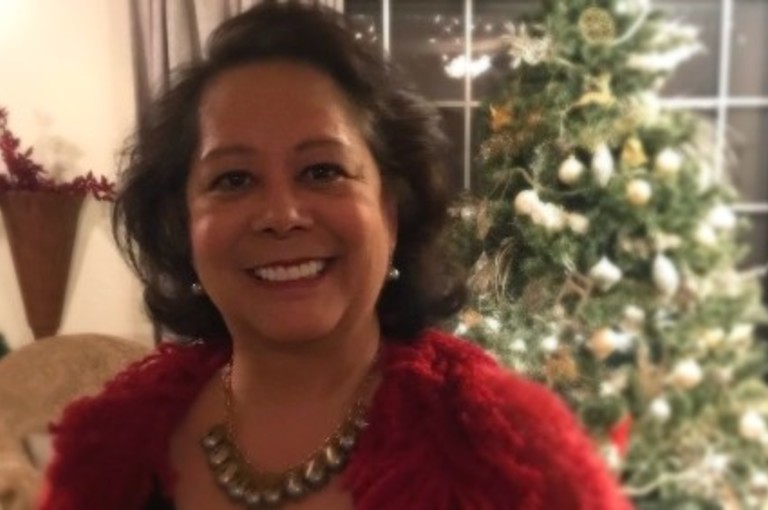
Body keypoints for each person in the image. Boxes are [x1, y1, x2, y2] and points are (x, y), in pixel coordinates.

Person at [41, 2, 633, 509]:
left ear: (390, 211)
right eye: (233, 179)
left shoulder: (508, 446)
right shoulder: (110, 449)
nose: (281, 215)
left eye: (322, 171)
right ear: (183, 224)